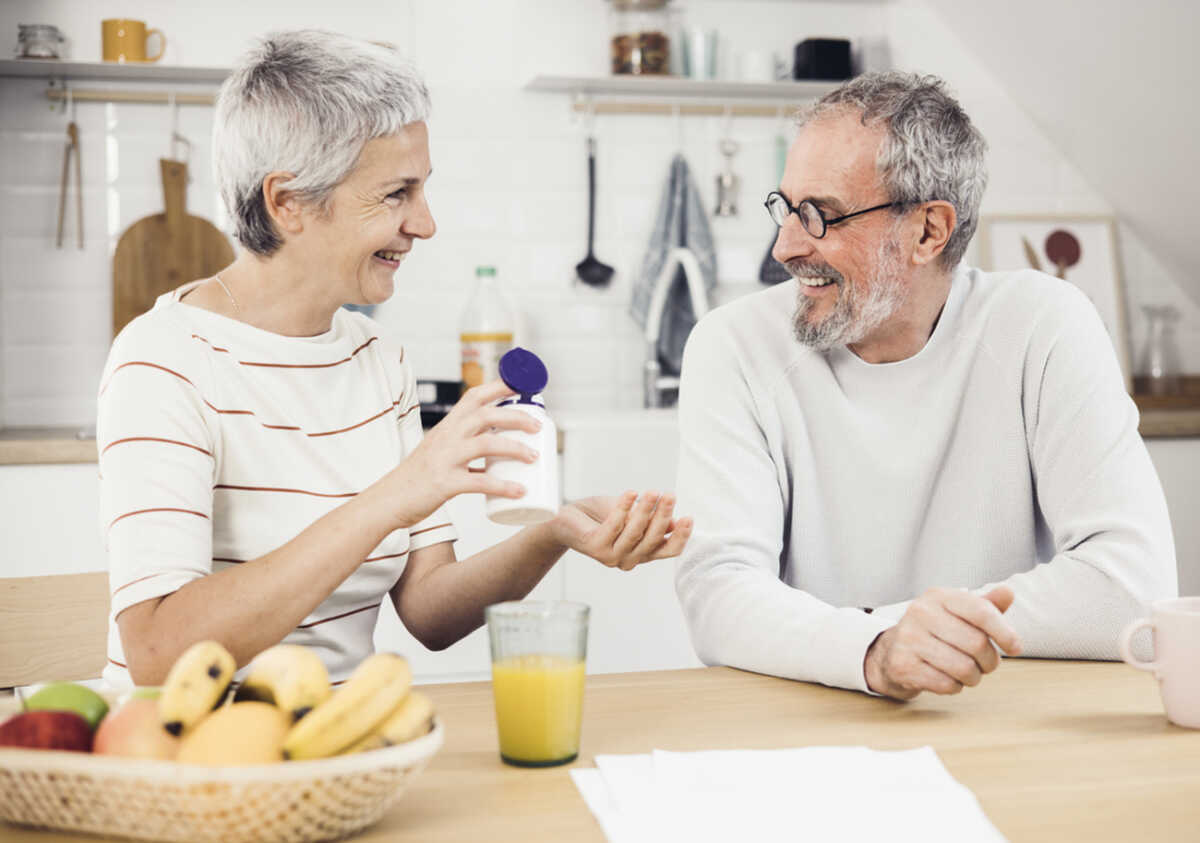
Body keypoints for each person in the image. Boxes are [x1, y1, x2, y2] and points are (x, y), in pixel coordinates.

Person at [98, 30, 692, 688]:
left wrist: (554, 530)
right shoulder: (164, 359)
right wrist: (396, 495)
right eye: (395, 194)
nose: (425, 224)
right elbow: (156, 650)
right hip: (189, 753)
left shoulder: (377, 359)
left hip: (344, 743)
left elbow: (430, 611)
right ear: (288, 201)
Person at [673, 71, 1176, 701]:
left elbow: (1130, 588)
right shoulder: (734, 344)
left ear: (929, 231)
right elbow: (717, 593)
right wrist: (877, 652)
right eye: (784, 206)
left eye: (819, 216)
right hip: (808, 715)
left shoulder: (1043, 324)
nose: (785, 246)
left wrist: (881, 635)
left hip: (1006, 716)